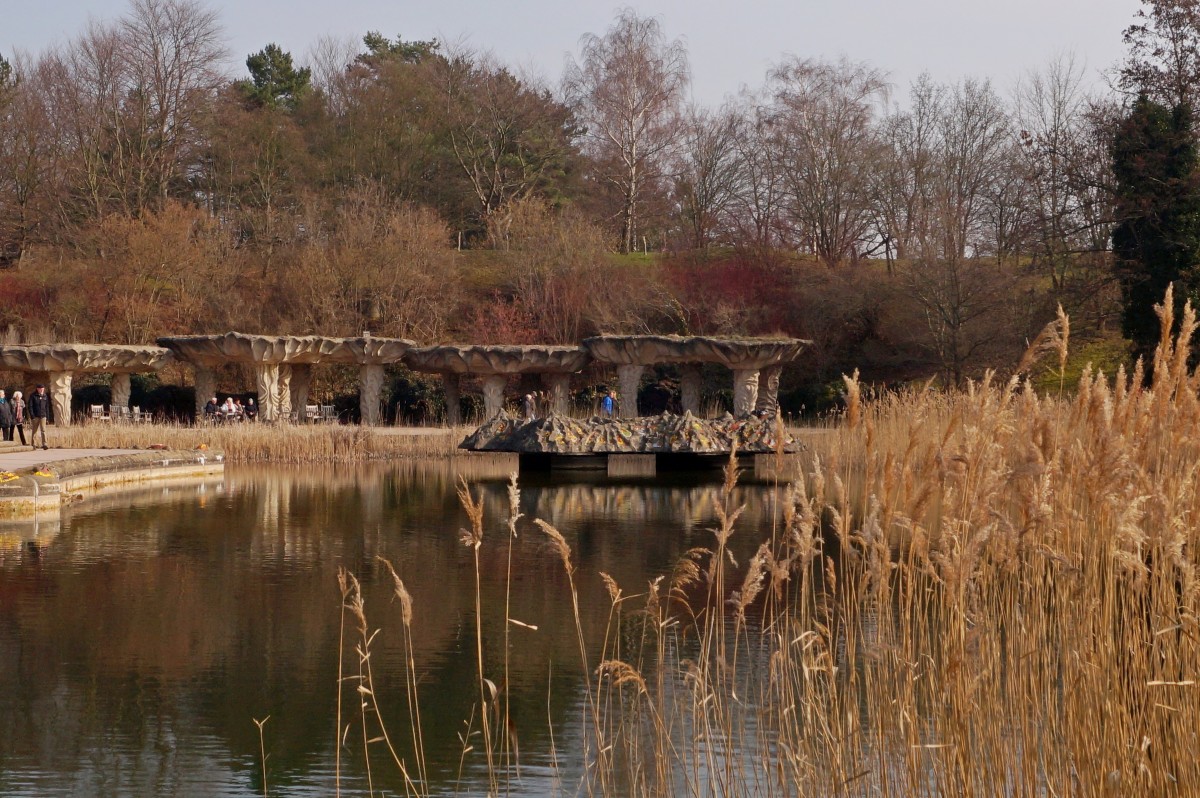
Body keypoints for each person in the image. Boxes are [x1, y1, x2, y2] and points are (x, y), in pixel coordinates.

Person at [28, 383, 50, 450]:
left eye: (43, 389)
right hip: (35, 416)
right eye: (40, 389)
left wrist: (47, 417)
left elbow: (47, 407)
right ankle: (33, 444)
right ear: (37, 389)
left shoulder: (45, 396)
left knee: (43, 430)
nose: (42, 390)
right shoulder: (33, 396)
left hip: (43, 416)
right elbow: (30, 406)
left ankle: (45, 444)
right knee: (34, 431)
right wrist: (32, 416)